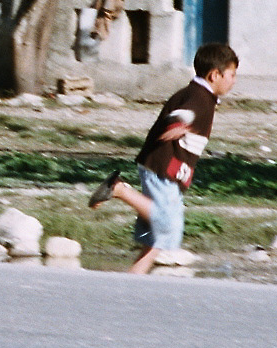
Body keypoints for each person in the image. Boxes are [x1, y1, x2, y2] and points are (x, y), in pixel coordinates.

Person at [87, 42, 239, 274]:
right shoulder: (200, 98)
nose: (233, 81)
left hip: (169, 168)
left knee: (159, 239)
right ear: (214, 75)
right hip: (163, 166)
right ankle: (119, 189)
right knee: (168, 224)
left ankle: (133, 280)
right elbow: (182, 114)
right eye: (231, 75)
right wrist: (178, 125)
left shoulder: (196, 94)